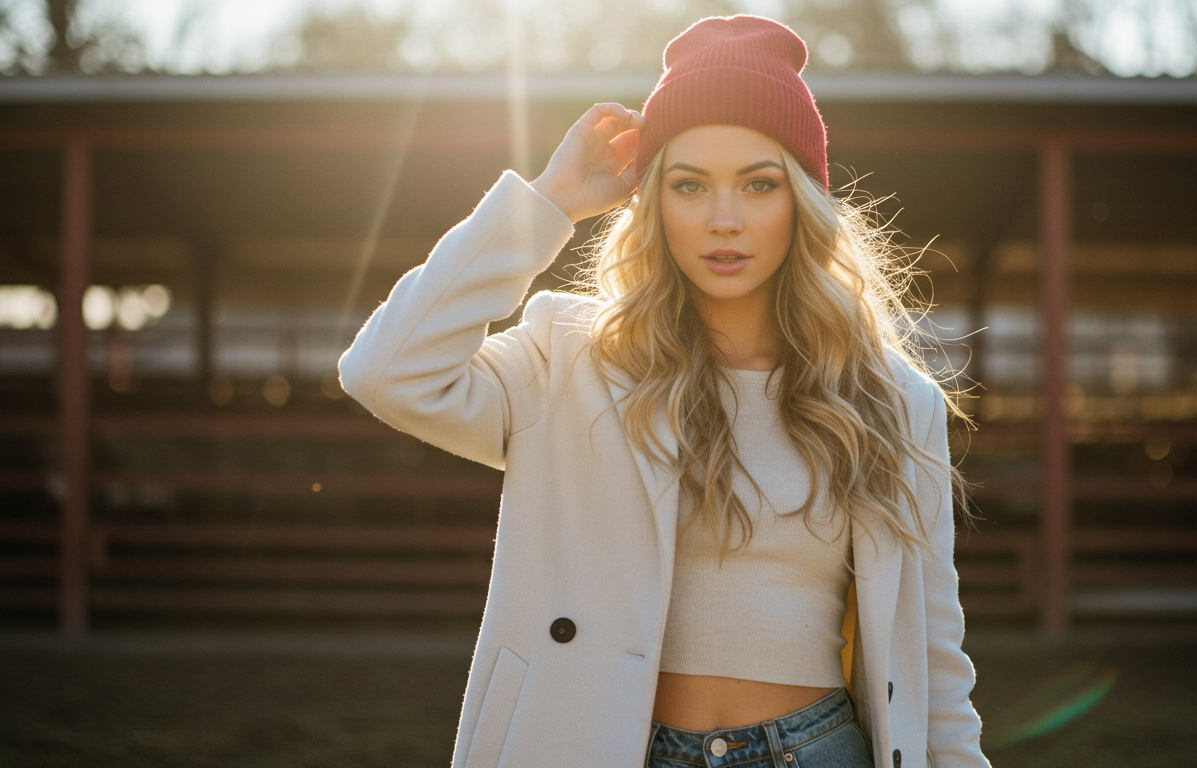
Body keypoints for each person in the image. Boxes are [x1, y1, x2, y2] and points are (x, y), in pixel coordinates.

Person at [339, 14, 989, 768]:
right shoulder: (570, 357)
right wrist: (548, 200)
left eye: (759, 184)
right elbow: (388, 373)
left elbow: (933, 663)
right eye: (689, 185)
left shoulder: (892, 400)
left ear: (801, 202)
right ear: (654, 203)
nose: (724, 221)